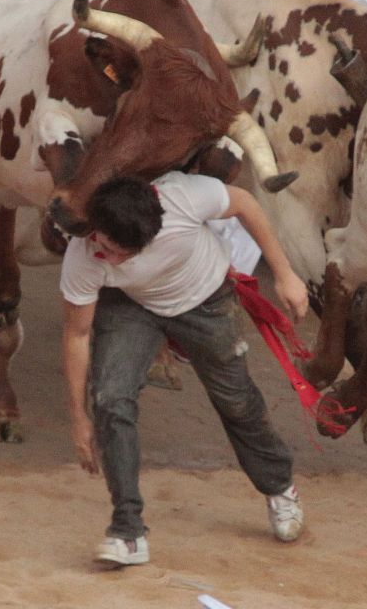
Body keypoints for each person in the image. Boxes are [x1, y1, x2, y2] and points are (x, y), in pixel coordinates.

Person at [60, 170, 309, 566]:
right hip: (132, 307)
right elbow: (76, 336)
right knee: (110, 401)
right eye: (107, 247)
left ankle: (279, 487)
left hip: (205, 299)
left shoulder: (183, 197)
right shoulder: (84, 255)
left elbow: (244, 202)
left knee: (236, 402)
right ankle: (128, 532)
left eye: (126, 254)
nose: (113, 259)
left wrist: (285, 273)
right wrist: (78, 418)